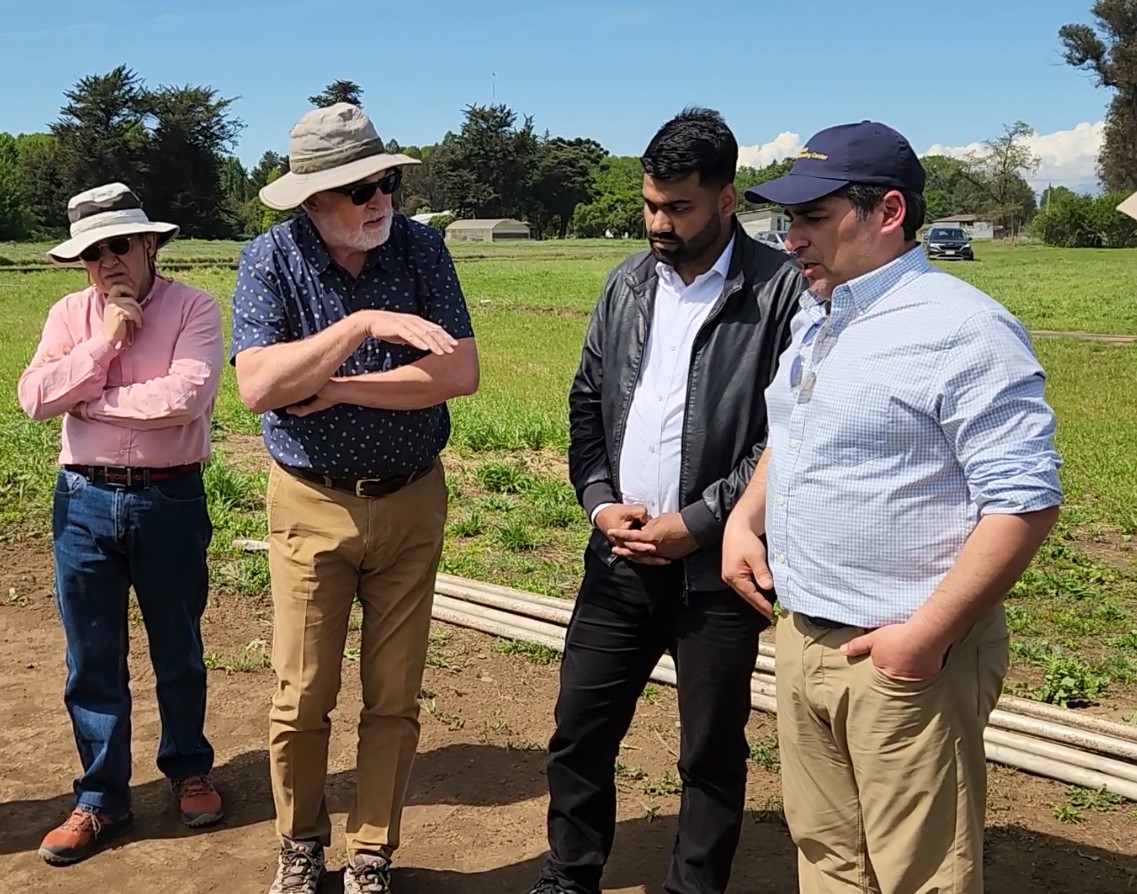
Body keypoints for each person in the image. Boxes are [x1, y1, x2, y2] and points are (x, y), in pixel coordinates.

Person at [721, 121, 1064, 893]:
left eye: (813, 218)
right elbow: (794, 432)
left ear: (888, 211)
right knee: (826, 854)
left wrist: (923, 639)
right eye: (789, 219)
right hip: (804, 633)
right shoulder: (819, 314)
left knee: (921, 873)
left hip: (906, 652)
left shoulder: (963, 329)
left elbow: (1022, 502)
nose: (791, 238)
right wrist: (745, 520)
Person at [527, 107, 806, 894]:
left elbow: (787, 429)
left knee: (709, 751)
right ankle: (568, 876)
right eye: (650, 205)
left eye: (678, 207)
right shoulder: (626, 283)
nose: (658, 223)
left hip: (718, 571)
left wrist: (702, 522)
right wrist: (597, 500)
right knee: (579, 732)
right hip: (618, 557)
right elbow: (587, 400)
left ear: (726, 199)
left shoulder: (779, 291)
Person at [229, 102, 479, 894]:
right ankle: (300, 845)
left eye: (385, 184)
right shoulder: (270, 260)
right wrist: (364, 322)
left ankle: (371, 853)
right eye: (360, 189)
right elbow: (259, 386)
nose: (380, 201)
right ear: (312, 199)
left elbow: (455, 373)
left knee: (394, 693)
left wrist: (334, 387)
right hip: (312, 501)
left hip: (412, 498)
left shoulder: (422, 248)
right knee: (302, 693)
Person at [17, 182, 225, 865]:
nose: (107, 262)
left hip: (169, 498)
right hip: (82, 501)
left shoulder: (193, 308)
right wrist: (103, 345)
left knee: (178, 646)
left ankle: (188, 768)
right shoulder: (70, 315)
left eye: (119, 245)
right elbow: (34, 398)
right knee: (91, 655)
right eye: (92, 252)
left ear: (149, 245)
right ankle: (101, 796)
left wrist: (88, 401)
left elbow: (184, 398)